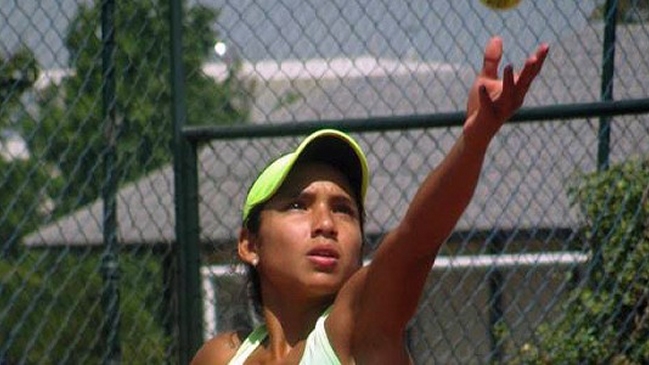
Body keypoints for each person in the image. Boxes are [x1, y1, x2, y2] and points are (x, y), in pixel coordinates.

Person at [191, 36, 549, 365]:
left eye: (344, 210)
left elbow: (416, 240)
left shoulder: (358, 329)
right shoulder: (221, 357)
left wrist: (474, 143)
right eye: (298, 205)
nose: (326, 225)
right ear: (250, 244)